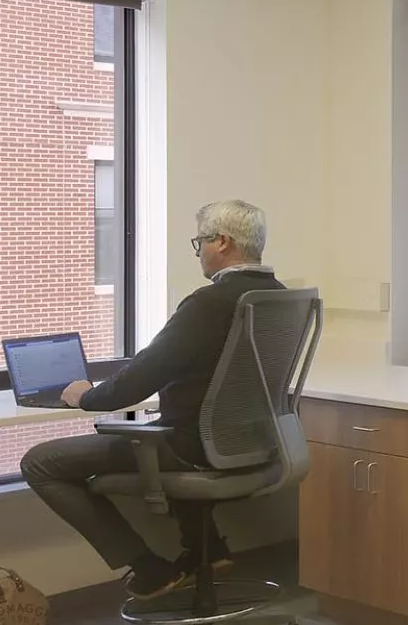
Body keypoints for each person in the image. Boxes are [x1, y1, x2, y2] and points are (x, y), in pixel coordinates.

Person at [21, 199, 284, 603]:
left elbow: (137, 382)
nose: (200, 254)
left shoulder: (207, 303)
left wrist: (86, 396)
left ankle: (147, 568)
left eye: (200, 244)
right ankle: (207, 552)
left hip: (193, 448)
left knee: (39, 463)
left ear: (223, 243)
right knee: (168, 429)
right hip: (250, 443)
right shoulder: (277, 298)